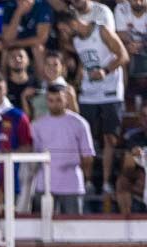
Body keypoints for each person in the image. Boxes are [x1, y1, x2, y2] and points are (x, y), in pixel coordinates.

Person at [58, 10, 129, 196]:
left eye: (64, 29)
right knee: (85, 137)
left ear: (73, 23)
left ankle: (106, 182)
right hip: (89, 92)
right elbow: (84, 59)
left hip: (111, 90)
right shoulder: (76, 40)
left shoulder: (101, 30)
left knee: (109, 138)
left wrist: (105, 71)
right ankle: (87, 181)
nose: (63, 33)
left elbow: (123, 55)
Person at [32, 83, 96, 212]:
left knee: (73, 224)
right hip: (44, 184)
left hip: (72, 184)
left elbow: (87, 156)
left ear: (66, 99)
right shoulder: (37, 125)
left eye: (59, 100)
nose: (55, 104)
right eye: (51, 100)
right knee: (42, 223)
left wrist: (86, 178)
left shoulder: (79, 123)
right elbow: (34, 155)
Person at [22, 50, 78, 119]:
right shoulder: (36, 85)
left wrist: (72, 99)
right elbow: (28, 117)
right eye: (48, 64)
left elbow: (74, 119)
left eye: (55, 64)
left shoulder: (68, 89)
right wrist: (24, 98)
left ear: (62, 67)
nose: (51, 68)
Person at [2, 0, 54, 71]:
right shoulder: (10, 6)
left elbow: (41, 38)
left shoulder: (42, 6)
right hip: (17, 45)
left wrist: (14, 43)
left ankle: (43, 77)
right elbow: (7, 38)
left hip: (34, 44)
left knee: (37, 48)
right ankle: (4, 77)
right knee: (5, 49)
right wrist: (18, 13)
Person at [116, 0, 147, 91]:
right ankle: (123, 93)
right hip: (130, 44)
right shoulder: (121, 8)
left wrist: (142, 44)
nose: (138, 3)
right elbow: (120, 32)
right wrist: (130, 44)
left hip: (144, 43)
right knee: (121, 57)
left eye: (141, 0)